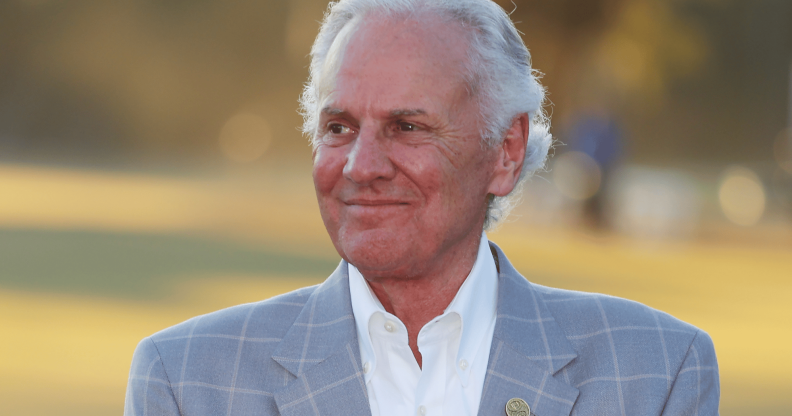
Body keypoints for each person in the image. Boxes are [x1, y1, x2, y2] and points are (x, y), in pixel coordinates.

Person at [125, 0, 719, 415]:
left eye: (407, 127)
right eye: (338, 127)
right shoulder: (188, 380)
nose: (361, 165)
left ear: (505, 151)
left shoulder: (656, 372)